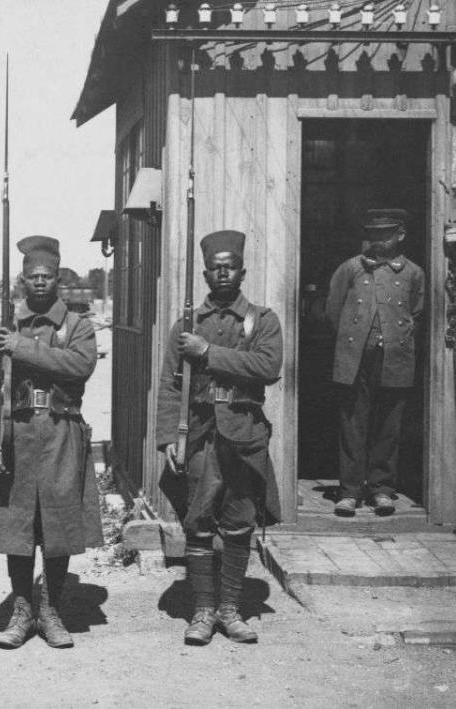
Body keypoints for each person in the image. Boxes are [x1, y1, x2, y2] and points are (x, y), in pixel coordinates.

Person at [0, 235, 102, 650]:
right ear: (22, 281)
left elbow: (79, 367)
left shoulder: (77, 326)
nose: (41, 283)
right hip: (17, 434)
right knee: (18, 525)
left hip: (62, 432)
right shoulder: (4, 330)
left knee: (58, 525)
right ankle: (22, 608)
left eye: (48, 276)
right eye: (33, 277)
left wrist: (24, 348)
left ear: (58, 280)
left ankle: (51, 609)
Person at [156, 229, 283, 646]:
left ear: (242, 271)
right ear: (206, 274)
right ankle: (203, 610)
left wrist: (208, 353)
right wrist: (168, 437)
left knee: (239, 523)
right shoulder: (186, 325)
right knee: (198, 522)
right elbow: (170, 385)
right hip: (200, 435)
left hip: (244, 435)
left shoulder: (262, 320)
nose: (223, 273)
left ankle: (230, 609)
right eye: (215, 267)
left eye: (230, 267)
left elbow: (267, 367)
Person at [326, 209, 424, 518]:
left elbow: (416, 315)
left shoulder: (412, 273)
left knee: (388, 425)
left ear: (401, 235)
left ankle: (381, 489)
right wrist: (352, 341)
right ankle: (350, 492)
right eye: (374, 234)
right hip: (355, 358)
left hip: (395, 357)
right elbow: (332, 312)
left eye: (386, 234)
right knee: (353, 424)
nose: (379, 240)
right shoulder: (351, 268)